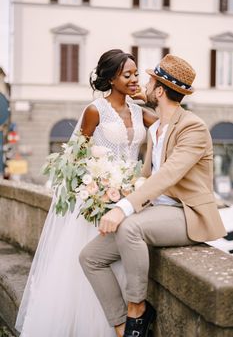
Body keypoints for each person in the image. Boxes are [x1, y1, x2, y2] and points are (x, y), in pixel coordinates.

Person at [79, 54, 227, 337]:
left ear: (159, 90)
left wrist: (123, 208)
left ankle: (137, 310)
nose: (142, 84)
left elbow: (168, 175)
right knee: (90, 257)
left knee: (130, 227)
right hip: (156, 211)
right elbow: (145, 178)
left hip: (186, 213)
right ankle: (122, 325)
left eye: (149, 80)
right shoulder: (156, 128)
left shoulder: (192, 127)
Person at [15, 49, 157, 337]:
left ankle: (121, 323)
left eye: (135, 74)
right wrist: (101, 185)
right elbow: (75, 159)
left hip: (130, 200)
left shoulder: (140, 113)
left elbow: (172, 124)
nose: (133, 79)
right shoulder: (95, 111)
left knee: (120, 260)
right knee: (91, 263)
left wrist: (148, 97)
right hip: (98, 199)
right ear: (110, 78)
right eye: (126, 74)